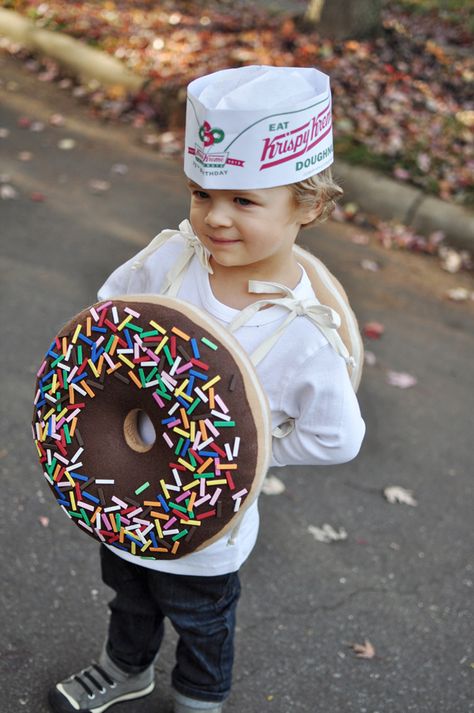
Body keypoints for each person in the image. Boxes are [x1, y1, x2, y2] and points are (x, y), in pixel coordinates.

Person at [49, 65, 365, 713]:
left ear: (308, 205)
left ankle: (200, 696)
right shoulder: (173, 259)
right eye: (201, 193)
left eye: (245, 200)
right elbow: (109, 314)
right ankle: (125, 666)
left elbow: (338, 438)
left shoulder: (303, 331)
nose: (215, 218)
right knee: (129, 594)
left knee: (202, 620)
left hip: (205, 529)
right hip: (126, 498)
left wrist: (240, 448)